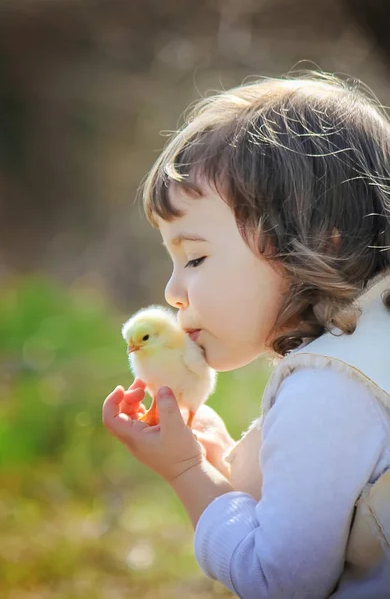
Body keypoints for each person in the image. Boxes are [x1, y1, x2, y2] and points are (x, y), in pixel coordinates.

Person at [102, 73, 390, 598]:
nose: (172, 292)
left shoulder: (327, 387)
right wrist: (230, 462)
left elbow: (281, 582)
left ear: (317, 243)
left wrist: (189, 471)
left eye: (195, 257)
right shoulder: (368, 348)